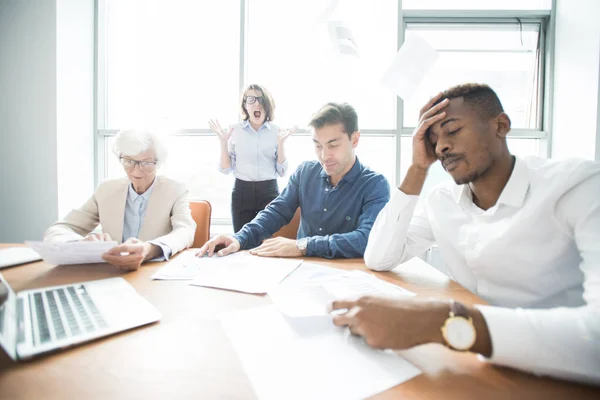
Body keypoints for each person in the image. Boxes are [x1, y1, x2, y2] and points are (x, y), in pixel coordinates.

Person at [332, 83, 600, 384]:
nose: (441, 147)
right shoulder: (441, 201)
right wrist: (418, 168)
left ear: (501, 125)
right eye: (432, 141)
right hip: (477, 366)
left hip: (564, 378)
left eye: (453, 130)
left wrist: (442, 322)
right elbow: (379, 257)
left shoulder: (578, 185)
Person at [198, 102, 390, 259]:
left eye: (333, 145)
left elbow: (366, 239)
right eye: (317, 145)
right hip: (300, 273)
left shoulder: (375, 185)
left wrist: (303, 246)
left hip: (348, 277)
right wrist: (239, 238)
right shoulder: (305, 172)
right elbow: (276, 211)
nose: (324, 155)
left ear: (354, 140)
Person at [44, 130, 196, 271]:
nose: (136, 171)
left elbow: (185, 231)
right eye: (129, 161)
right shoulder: (106, 189)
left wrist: (150, 249)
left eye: (146, 163)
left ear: (159, 163)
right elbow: (60, 229)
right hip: (111, 272)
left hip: (153, 272)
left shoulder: (176, 189)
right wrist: (78, 245)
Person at [209, 84, 296, 232]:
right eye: (251, 99)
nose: (257, 103)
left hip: (269, 191)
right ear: (245, 105)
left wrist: (281, 144)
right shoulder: (234, 130)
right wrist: (223, 143)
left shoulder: (277, 131)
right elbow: (225, 169)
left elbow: (282, 171)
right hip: (242, 191)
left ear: (267, 105)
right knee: (242, 242)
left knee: (269, 241)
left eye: (261, 99)